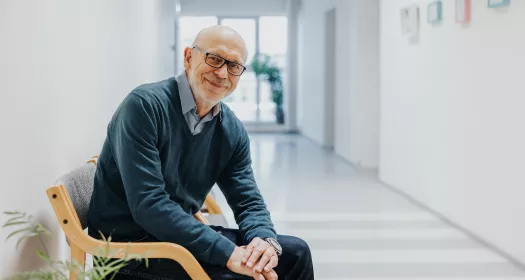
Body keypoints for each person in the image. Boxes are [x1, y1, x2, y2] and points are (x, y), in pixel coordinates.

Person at [87, 25, 314, 280]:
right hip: (129, 253)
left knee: (295, 253)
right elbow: (149, 205)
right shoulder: (143, 107)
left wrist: (263, 240)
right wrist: (228, 253)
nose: (221, 73)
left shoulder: (231, 129)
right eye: (214, 58)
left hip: (176, 239)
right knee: (247, 276)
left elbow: (247, 199)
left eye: (233, 66)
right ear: (188, 57)